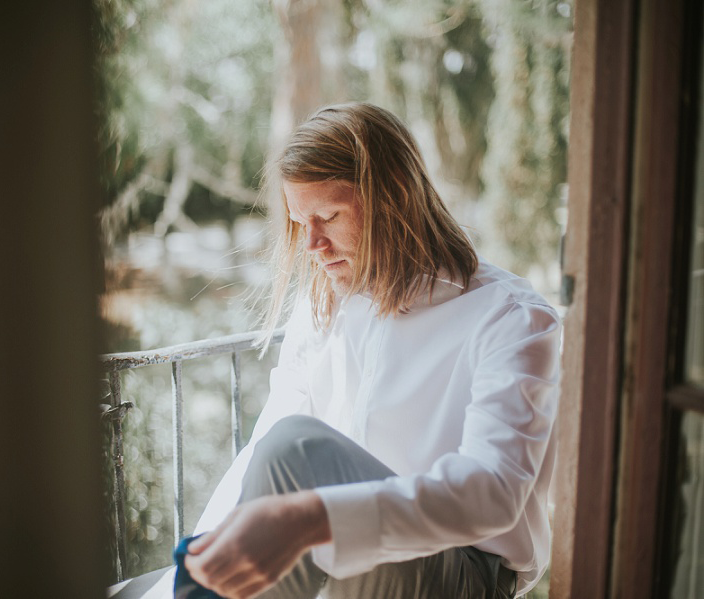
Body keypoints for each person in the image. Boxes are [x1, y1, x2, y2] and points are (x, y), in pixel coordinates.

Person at [181, 102, 561, 599]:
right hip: (343, 565)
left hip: (465, 575)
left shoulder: (511, 318)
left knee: (297, 448)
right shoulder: (319, 308)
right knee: (281, 450)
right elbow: (261, 457)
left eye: (328, 216)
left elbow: (492, 493)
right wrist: (199, 561)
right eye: (300, 223)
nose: (312, 244)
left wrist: (315, 520)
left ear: (394, 197)